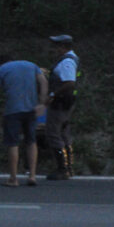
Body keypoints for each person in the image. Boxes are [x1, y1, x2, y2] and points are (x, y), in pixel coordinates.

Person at [0, 54, 48, 187]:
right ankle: (32, 176)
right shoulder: (31, 64)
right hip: (31, 109)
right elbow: (44, 81)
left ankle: (13, 178)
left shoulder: (0, 70)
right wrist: (42, 103)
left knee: (13, 143)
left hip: (12, 110)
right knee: (31, 141)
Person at [45, 34, 80, 180]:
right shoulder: (72, 59)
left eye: (57, 46)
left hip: (60, 102)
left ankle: (62, 168)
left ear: (63, 47)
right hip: (66, 102)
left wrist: (53, 94)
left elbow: (69, 82)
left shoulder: (67, 62)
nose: (55, 49)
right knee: (64, 134)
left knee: (54, 133)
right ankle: (68, 167)